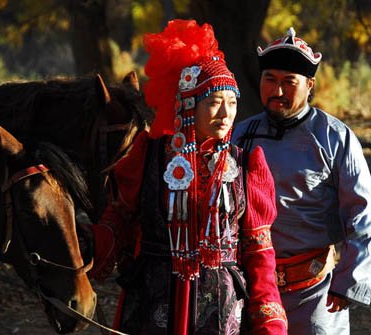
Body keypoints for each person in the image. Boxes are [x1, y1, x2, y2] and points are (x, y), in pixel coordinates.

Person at [87, 19, 287, 335]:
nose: (226, 114)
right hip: (153, 302)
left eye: (232, 104)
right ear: (187, 106)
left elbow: (259, 251)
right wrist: (86, 246)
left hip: (221, 309)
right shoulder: (149, 156)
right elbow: (119, 220)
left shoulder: (247, 165)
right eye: (214, 104)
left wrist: (268, 318)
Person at [232, 27, 371, 335]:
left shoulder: (334, 137)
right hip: (250, 286)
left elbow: (363, 213)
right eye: (270, 79)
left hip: (314, 291)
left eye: (289, 82)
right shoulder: (240, 134)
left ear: (310, 85)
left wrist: (350, 281)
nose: (278, 91)